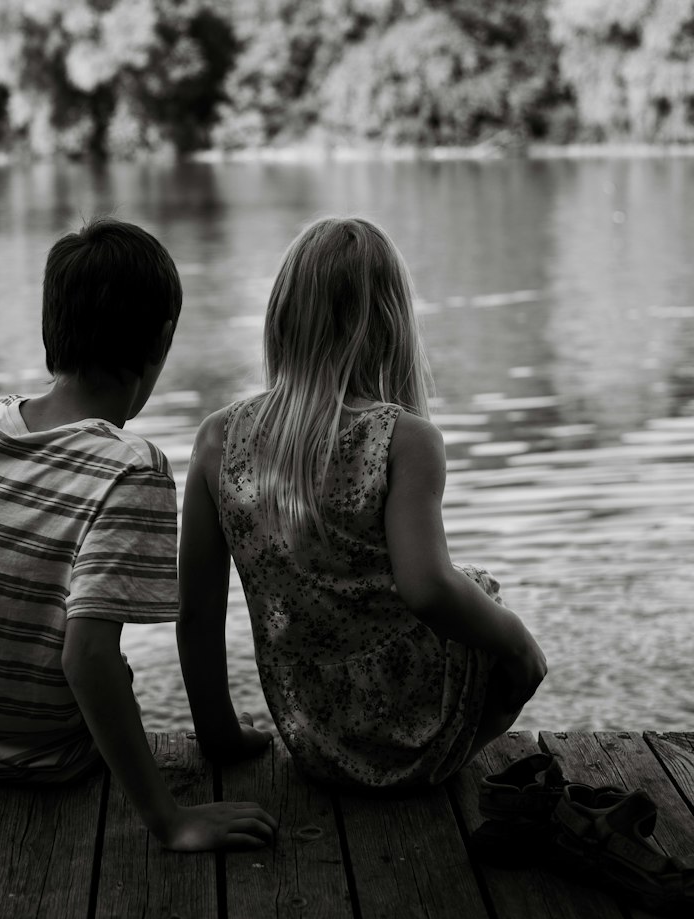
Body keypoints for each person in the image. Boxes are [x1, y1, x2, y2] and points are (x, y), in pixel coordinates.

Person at [0, 218, 276, 850]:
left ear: (50, 332)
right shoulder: (132, 468)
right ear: (162, 341)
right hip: (37, 757)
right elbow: (85, 659)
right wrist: (170, 820)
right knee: (109, 662)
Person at [177, 216, 547, 790]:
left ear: (281, 318)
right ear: (391, 325)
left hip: (312, 740)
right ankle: (431, 769)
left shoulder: (217, 440)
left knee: (464, 588)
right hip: (417, 743)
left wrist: (220, 736)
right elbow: (426, 589)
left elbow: (197, 613)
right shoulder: (405, 439)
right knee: (479, 593)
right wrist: (518, 639)